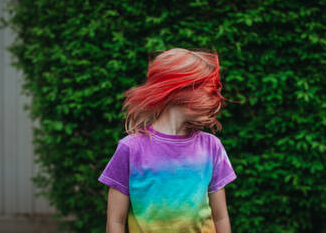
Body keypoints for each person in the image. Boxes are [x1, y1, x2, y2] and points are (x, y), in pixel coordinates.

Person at [98, 48, 238, 233]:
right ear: (177, 89)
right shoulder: (130, 149)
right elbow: (115, 221)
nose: (214, 98)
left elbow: (220, 217)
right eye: (206, 90)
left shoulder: (211, 146)